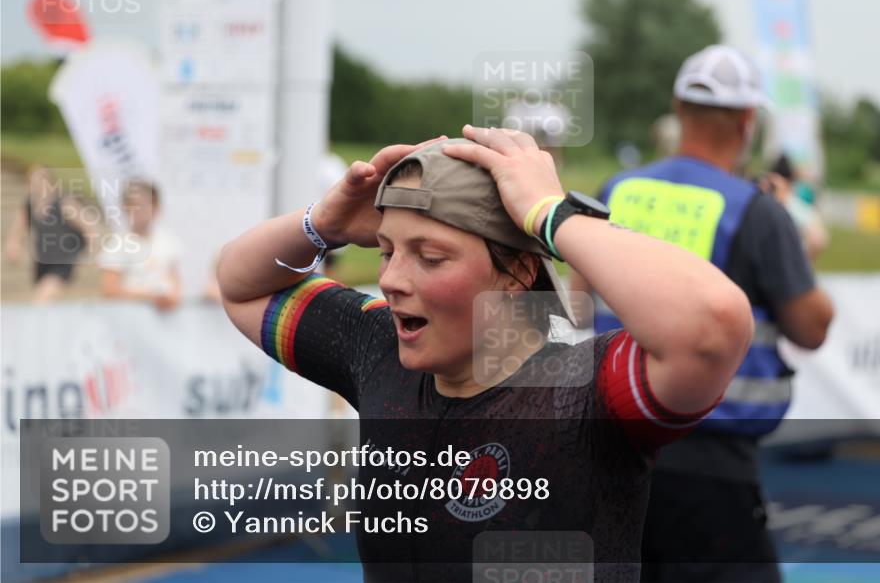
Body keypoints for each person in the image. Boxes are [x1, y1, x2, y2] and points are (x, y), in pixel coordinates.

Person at [217, 126, 754, 581]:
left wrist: (550, 214)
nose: (392, 280)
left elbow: (712, 325)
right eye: (386, 251)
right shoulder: (375, 350)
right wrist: (323, 225)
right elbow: (240, 284)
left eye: (430, 257)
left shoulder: (587, 393)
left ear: (518, 273)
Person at [571, 45, 834, 582]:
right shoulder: (757, 212)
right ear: (747, 122)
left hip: (609, 446)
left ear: (677, 108)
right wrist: (796, 238)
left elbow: (575, 304)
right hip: (710, 461)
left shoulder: (616, 191)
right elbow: (812, 328)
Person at [5, 165, 93, 302]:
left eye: (42, 180)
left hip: (63, 260)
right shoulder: (30, 205)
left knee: (42, 298)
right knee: (47, 300)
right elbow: (18, 229)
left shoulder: (64, 203)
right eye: (34, 181)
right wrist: (14, 246)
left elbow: (88, 226)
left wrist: (90, 251)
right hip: (42, 260)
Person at [98, 180, 182, 311]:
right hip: (131, 320)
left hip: (166, 322)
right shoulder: (117, 245)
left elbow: (175, 281)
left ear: (156, 208)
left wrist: (172, 298)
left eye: (146, 205)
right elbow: (110, 291)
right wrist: (150, 297)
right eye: (135, 206)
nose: (140, 211)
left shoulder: (169, 242)